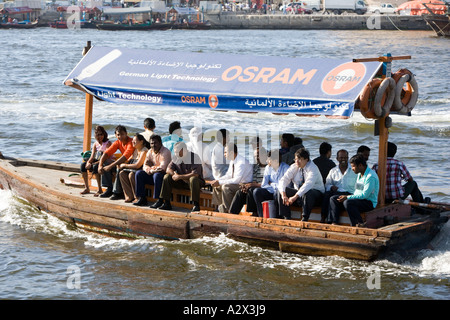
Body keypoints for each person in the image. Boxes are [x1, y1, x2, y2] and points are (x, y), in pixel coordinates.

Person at [329, 154, 379, 227]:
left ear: (360, 165)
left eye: (353, 166)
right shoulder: (359, 174)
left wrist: (348, 197)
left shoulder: (370, 177)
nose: (352, 168)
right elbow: (357, 190)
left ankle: (359, 223)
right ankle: (334, 222)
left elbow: (365, 195)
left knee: (348, 202)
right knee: (334, 199)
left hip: (368, 202)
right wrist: (348, 196)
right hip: (358, 199)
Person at [276, 148, 324, 220]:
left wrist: (295, 196)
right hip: (299, 195)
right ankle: (286, 217)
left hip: (315, 196)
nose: (297, 162)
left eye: (299, 159)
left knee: (308, 192)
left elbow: (308, 184)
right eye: (295, 159)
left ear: (306, 159)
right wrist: (284, 195)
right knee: (281, 190)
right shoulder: (294, 166)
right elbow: (283, 180)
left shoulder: (313, 168)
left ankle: (305, 218)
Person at [156, 141, 205, 211]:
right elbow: (168, 169)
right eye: (175, 152)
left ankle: (196, 205)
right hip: (181, 181)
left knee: (193, 179)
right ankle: (166, 202)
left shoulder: (194, 157)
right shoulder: (176, 157)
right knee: (167, 177)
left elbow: (195, 174)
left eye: (178, 152)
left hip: (195, 183)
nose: (176, 154)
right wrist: (175, 175)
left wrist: (180, 177)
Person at [228, 137, 267, 215]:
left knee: (252, 190)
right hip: (256, 187)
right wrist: (246, 185)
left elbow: (267, 184)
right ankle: (232, 213)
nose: (257, 158)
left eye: (258, 156)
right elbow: (254, 181)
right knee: (240, 192)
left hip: (265, 190)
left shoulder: (269, 167)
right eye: (255, 156)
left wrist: (252, 185)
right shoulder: (256, 167)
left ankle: (254, 213)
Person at [211, 143, 253, 213]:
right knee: (216, 186)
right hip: (237, 184)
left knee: (226, 187)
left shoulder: (241, 162)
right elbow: (228, 175)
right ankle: (220, 207)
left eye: (225, 152)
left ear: (231, 152)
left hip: (244, 185)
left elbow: (236, 180)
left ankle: (228, 210)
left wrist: (220, 182)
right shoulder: (232, 161)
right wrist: (218, 180)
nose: (224, 154)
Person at [98, 125, 135, 199]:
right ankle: (109, 189)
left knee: (118, 167)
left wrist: (111, 166)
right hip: (125, 162)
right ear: (115, 135)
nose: (120, 136)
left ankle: (117, 192)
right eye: (118, 135)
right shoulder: (117, 142)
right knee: (105, 164)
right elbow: (106, 153)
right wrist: (100, 165)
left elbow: (126, 156)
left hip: (133, 163)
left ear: (126, 134)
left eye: (122, 134)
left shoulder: (130, 142)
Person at [134, 134, 172, 207]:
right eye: (151, 143)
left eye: (155, 143)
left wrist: (151, 170)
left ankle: (159, 200)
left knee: (157, 175)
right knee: (139, 173)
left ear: (160, 143)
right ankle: (142, 198)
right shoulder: (150, 151)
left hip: (163, 175)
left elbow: (162, 168)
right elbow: (145, 165)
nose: (153, 145)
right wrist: (150, 169)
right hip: (153, 173)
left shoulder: (166, 152)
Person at [321, 149, 357, 223]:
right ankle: (323, 217)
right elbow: (327, 184)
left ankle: (333, 221)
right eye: (341, 158)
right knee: (327, 195)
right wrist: (331, 187)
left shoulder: (354, 170)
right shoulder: (333, 171)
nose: (343, 159)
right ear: (337, 159)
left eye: (345, 157)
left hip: (349, 193)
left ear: (348, 158)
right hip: (337, 192)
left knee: (332, 198)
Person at [252, 149, 290, 217]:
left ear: (275, 160)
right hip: (271, 191)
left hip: (281, 193)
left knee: (277, 193)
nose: (266, 161)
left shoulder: (286, 168)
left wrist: (272, 184)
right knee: (256, 191)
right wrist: (274, 187)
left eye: (268, 159)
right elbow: (264, 184)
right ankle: (262, 216)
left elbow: (287, 186)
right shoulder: (268, 168)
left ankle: (277, 217)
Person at [80, 125, 113, 196]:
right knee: (83, 165)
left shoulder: (108, 143)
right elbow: (92, 156)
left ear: (104, 134)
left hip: (106, 162)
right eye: (97, 135)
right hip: (97, 160)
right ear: (95, 135)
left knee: (96, 167)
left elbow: (106, 157)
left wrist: (95, 163)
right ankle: (87, 188)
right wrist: (88, 162)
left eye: (101, 134)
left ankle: (99, 189)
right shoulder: (95, 144)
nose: (99, 137)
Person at [118, 133, 149, 203]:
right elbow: (129, 160)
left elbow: (138, 165)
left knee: (131, 175)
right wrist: (121, 164)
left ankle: (137, 197)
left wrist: (125, 165)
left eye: (135, 141)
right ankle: (129, 196)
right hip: (133, 169)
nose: (133, 142)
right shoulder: (135, 150)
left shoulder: (144, 151)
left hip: (141, 171)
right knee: (122, 173)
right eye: (132, 141)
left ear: (141, 141)